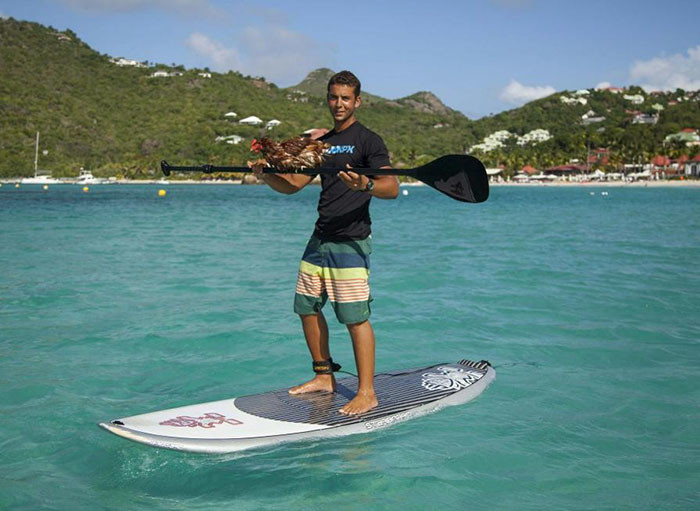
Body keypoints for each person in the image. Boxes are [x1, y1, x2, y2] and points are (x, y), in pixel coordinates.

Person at [251, 70, 398, 415]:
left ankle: (367, 392)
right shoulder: (323, 143)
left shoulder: (368, 141)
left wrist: (365, 184)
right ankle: (324, 376)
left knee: (354, 317)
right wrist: (267, 175)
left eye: (346, 98)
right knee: (306, 307)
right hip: (320, 237)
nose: (339, 104)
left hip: (351, 240)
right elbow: (293, 184)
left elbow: (391, 187)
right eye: (334, 97)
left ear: (357, 101)